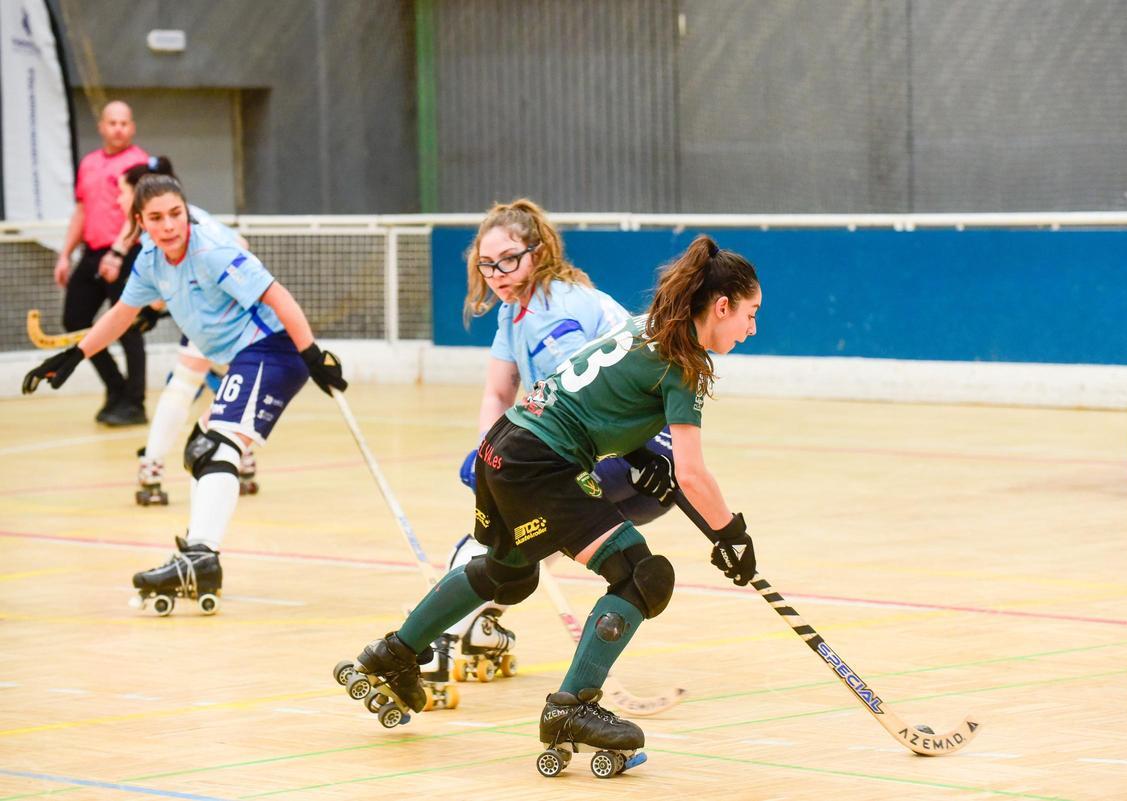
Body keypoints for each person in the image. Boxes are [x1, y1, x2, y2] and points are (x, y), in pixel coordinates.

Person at [345, 234, 760, 774]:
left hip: (504, 444)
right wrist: (731, 535)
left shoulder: (645, 328)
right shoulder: (683, 364)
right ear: (721, 306)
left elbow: (599, 397)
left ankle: (394, 654)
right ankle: (572, 708)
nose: (752, 328)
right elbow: (694, 473)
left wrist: (639, 455)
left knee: (508, 575)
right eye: (750, 314)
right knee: (641, 574)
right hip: (542, 463)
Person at [23, 174, 347, 615]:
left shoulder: (212, 247)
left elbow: (277, 296)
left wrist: (311, 354)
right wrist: (74, 356)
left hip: (269, 348)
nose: (170, 224)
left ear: (186, 210)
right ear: (140, 223)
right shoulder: (151, 259)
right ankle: (197, 556)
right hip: (242, 356)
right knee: (200, 451)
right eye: (156, 218)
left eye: (176, 213)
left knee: (218, 447)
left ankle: (200, 557)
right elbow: (121, 314)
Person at [423, 199, 679, 687]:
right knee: (527, 537)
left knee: (506, 530)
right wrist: (487, 452)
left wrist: (503, 469)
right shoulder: (515, 313)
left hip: (634, 454)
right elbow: (499, 392)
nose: (497, 273)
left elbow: (595, 395)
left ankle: (441, 641)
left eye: (508, 260)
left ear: (537, 253)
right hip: (623, 460)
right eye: (486, 264)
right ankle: (478, 626)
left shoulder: (554, 311)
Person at [109, 157, 261, 506]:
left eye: (122, 192)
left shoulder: (182, 221)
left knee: (184, 383)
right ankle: (243, 460)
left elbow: (237, 251)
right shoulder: (174, 218)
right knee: (223, 382)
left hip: (225, 313)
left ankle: (152, 467)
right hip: (222, 314)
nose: (118, 200)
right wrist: (155, 306)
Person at [53, 100, 149, 425]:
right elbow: (81, 212)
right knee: (75, 320)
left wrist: (118, 252)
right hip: (92, 253)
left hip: (125, 251)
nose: (118, 128)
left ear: (132, 127)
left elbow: (137, 215)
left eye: (124, 123)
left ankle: (134, 403)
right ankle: (116, 388)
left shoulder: (138, 164)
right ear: (102, 127)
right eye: (112, 122)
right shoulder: (89, 163)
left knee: (128, 328)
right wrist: (66, 254)